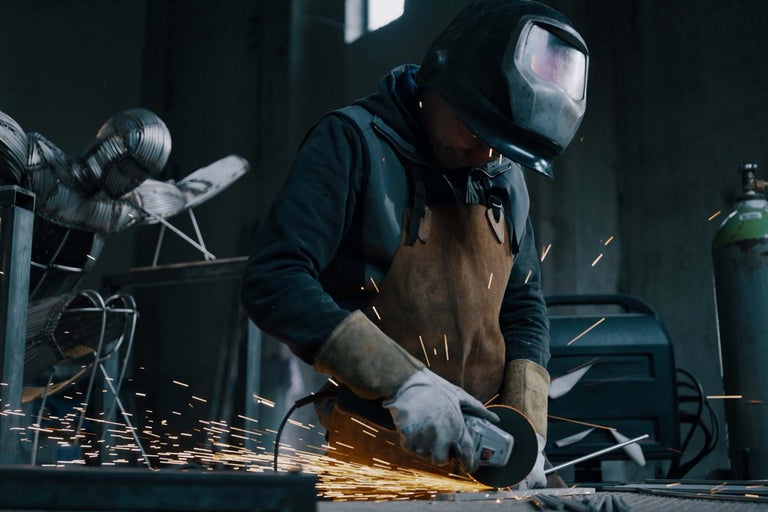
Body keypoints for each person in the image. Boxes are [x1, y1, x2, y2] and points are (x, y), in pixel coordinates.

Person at [241, 0, 588, 488]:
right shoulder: (353, 143)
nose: (485, 155)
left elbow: (523, 308)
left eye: (501, 146)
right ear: (441, 83)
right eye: (478, 132)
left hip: (485, 466)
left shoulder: (503, 176)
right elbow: (274, 279)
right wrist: (402, 381)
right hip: (375, 463)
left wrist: (526, 428)